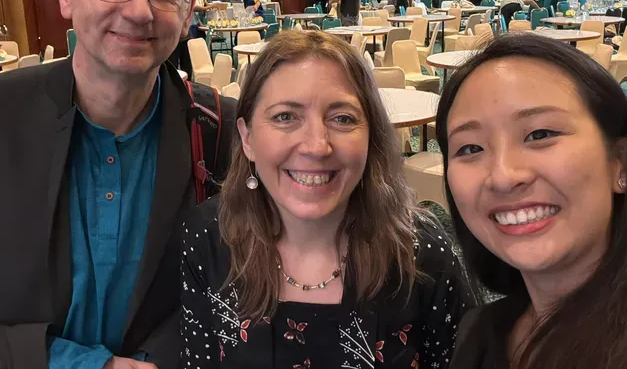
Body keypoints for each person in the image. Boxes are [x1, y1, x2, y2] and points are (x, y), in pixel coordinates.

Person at [0, 0, 236, 369]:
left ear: (189, 12)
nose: (139, 11)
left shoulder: (220, 130)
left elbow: (238, 282)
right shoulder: (6, 115)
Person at [180, 31, 475, 368]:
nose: (317, 146)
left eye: (342, 118)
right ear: (247, 139)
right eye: (285, 117)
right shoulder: (207, 238)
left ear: (371, 137)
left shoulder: (422, 253)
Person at [434, 34, 627, 369]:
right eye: (470, 148)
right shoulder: (479, 335)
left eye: (540, 134)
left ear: (620, 161)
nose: (504, 176)